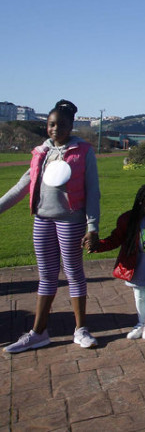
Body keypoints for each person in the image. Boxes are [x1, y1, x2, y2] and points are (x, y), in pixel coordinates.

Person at [0, 100, 101, 353]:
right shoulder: (41, 153)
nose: (56, 128)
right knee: (46, 276)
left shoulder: (83, 151)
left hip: (71, 220)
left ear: (71, 126)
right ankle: (38, 332)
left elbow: (93, 191)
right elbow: (23, 185)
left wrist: (92, 226)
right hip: (42, 220)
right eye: (51, 124)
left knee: (73, 273)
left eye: (62, 124)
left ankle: (81, 329)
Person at [92, 184, 145, 343]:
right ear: (140, 202)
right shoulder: (127, 220)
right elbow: (116, 239)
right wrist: (99, 245)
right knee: (139, 295)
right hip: (137, 265)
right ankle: (141, 324)